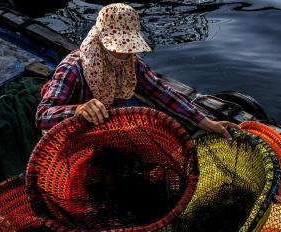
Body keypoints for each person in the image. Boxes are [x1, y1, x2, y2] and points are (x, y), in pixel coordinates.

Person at [36, 3, 239, 138]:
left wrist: (206, 122)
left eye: (128, 47)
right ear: (100, 39)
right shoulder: (73, 68)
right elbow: (43, 115)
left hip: (102, 129)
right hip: (67, 134)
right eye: (117, 46)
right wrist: (78, 110)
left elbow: (160, 91)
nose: (123, 54)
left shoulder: (130, 63)